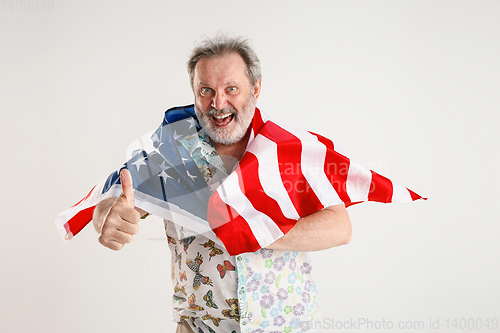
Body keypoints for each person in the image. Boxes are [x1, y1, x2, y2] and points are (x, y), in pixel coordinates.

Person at [92, 35, 352, 333]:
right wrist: (106, 219)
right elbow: (116, 204)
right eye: (206, 90)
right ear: (194, 91)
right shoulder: (167, 151)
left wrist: (251, 230)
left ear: (255, 89)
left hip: (288, 326)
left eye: (231, 89)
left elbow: (340, 227)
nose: (218, 103)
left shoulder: (287, 151)